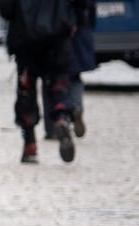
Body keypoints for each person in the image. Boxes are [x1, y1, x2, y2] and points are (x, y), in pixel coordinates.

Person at [0, 0, 85, 164]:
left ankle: (30, 144)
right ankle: (62, 117)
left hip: (25, 35)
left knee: (26, 89)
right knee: (59, 82)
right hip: (58, 33)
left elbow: (6, 9)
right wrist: (75, 20)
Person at [43, 0, 96, 139]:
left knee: (52, 78)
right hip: (75, 27)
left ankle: (53, 126)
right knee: (74, 75)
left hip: (52, 27)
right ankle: (76, 107)